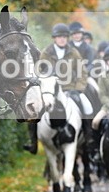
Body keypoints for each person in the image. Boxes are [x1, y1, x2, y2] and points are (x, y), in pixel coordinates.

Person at [25, 23, 91, 154]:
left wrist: (78, 89)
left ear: (68, 38)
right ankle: (33, 142)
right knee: (35, 111)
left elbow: (82, 73)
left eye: (65, 37)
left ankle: (88, 137)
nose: (62, 39)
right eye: (59, 36)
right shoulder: (46, 53)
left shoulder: (73, 52)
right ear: (54, 38)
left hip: (69, 89)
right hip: (50, 91)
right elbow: (38, 72)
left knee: (87, 105)